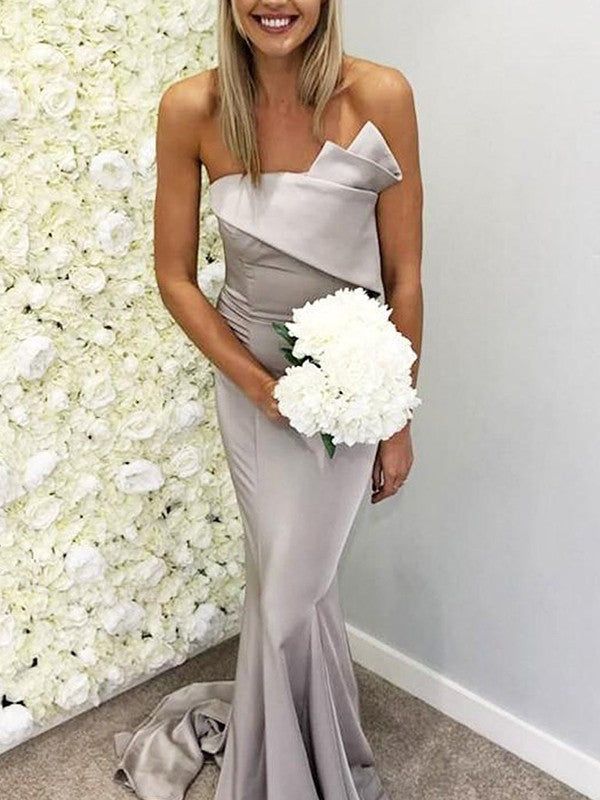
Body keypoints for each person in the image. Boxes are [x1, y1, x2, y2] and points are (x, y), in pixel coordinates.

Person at [112, 1, 423, 798]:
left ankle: (302, 757)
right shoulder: (193, 107)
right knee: (281, 578)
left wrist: (394, 420)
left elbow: (405, 278)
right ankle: (291, 765)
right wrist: (259, 388)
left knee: (296, 587)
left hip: (354, 383)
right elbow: (175, 276)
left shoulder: (380, 94)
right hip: (249, 381)